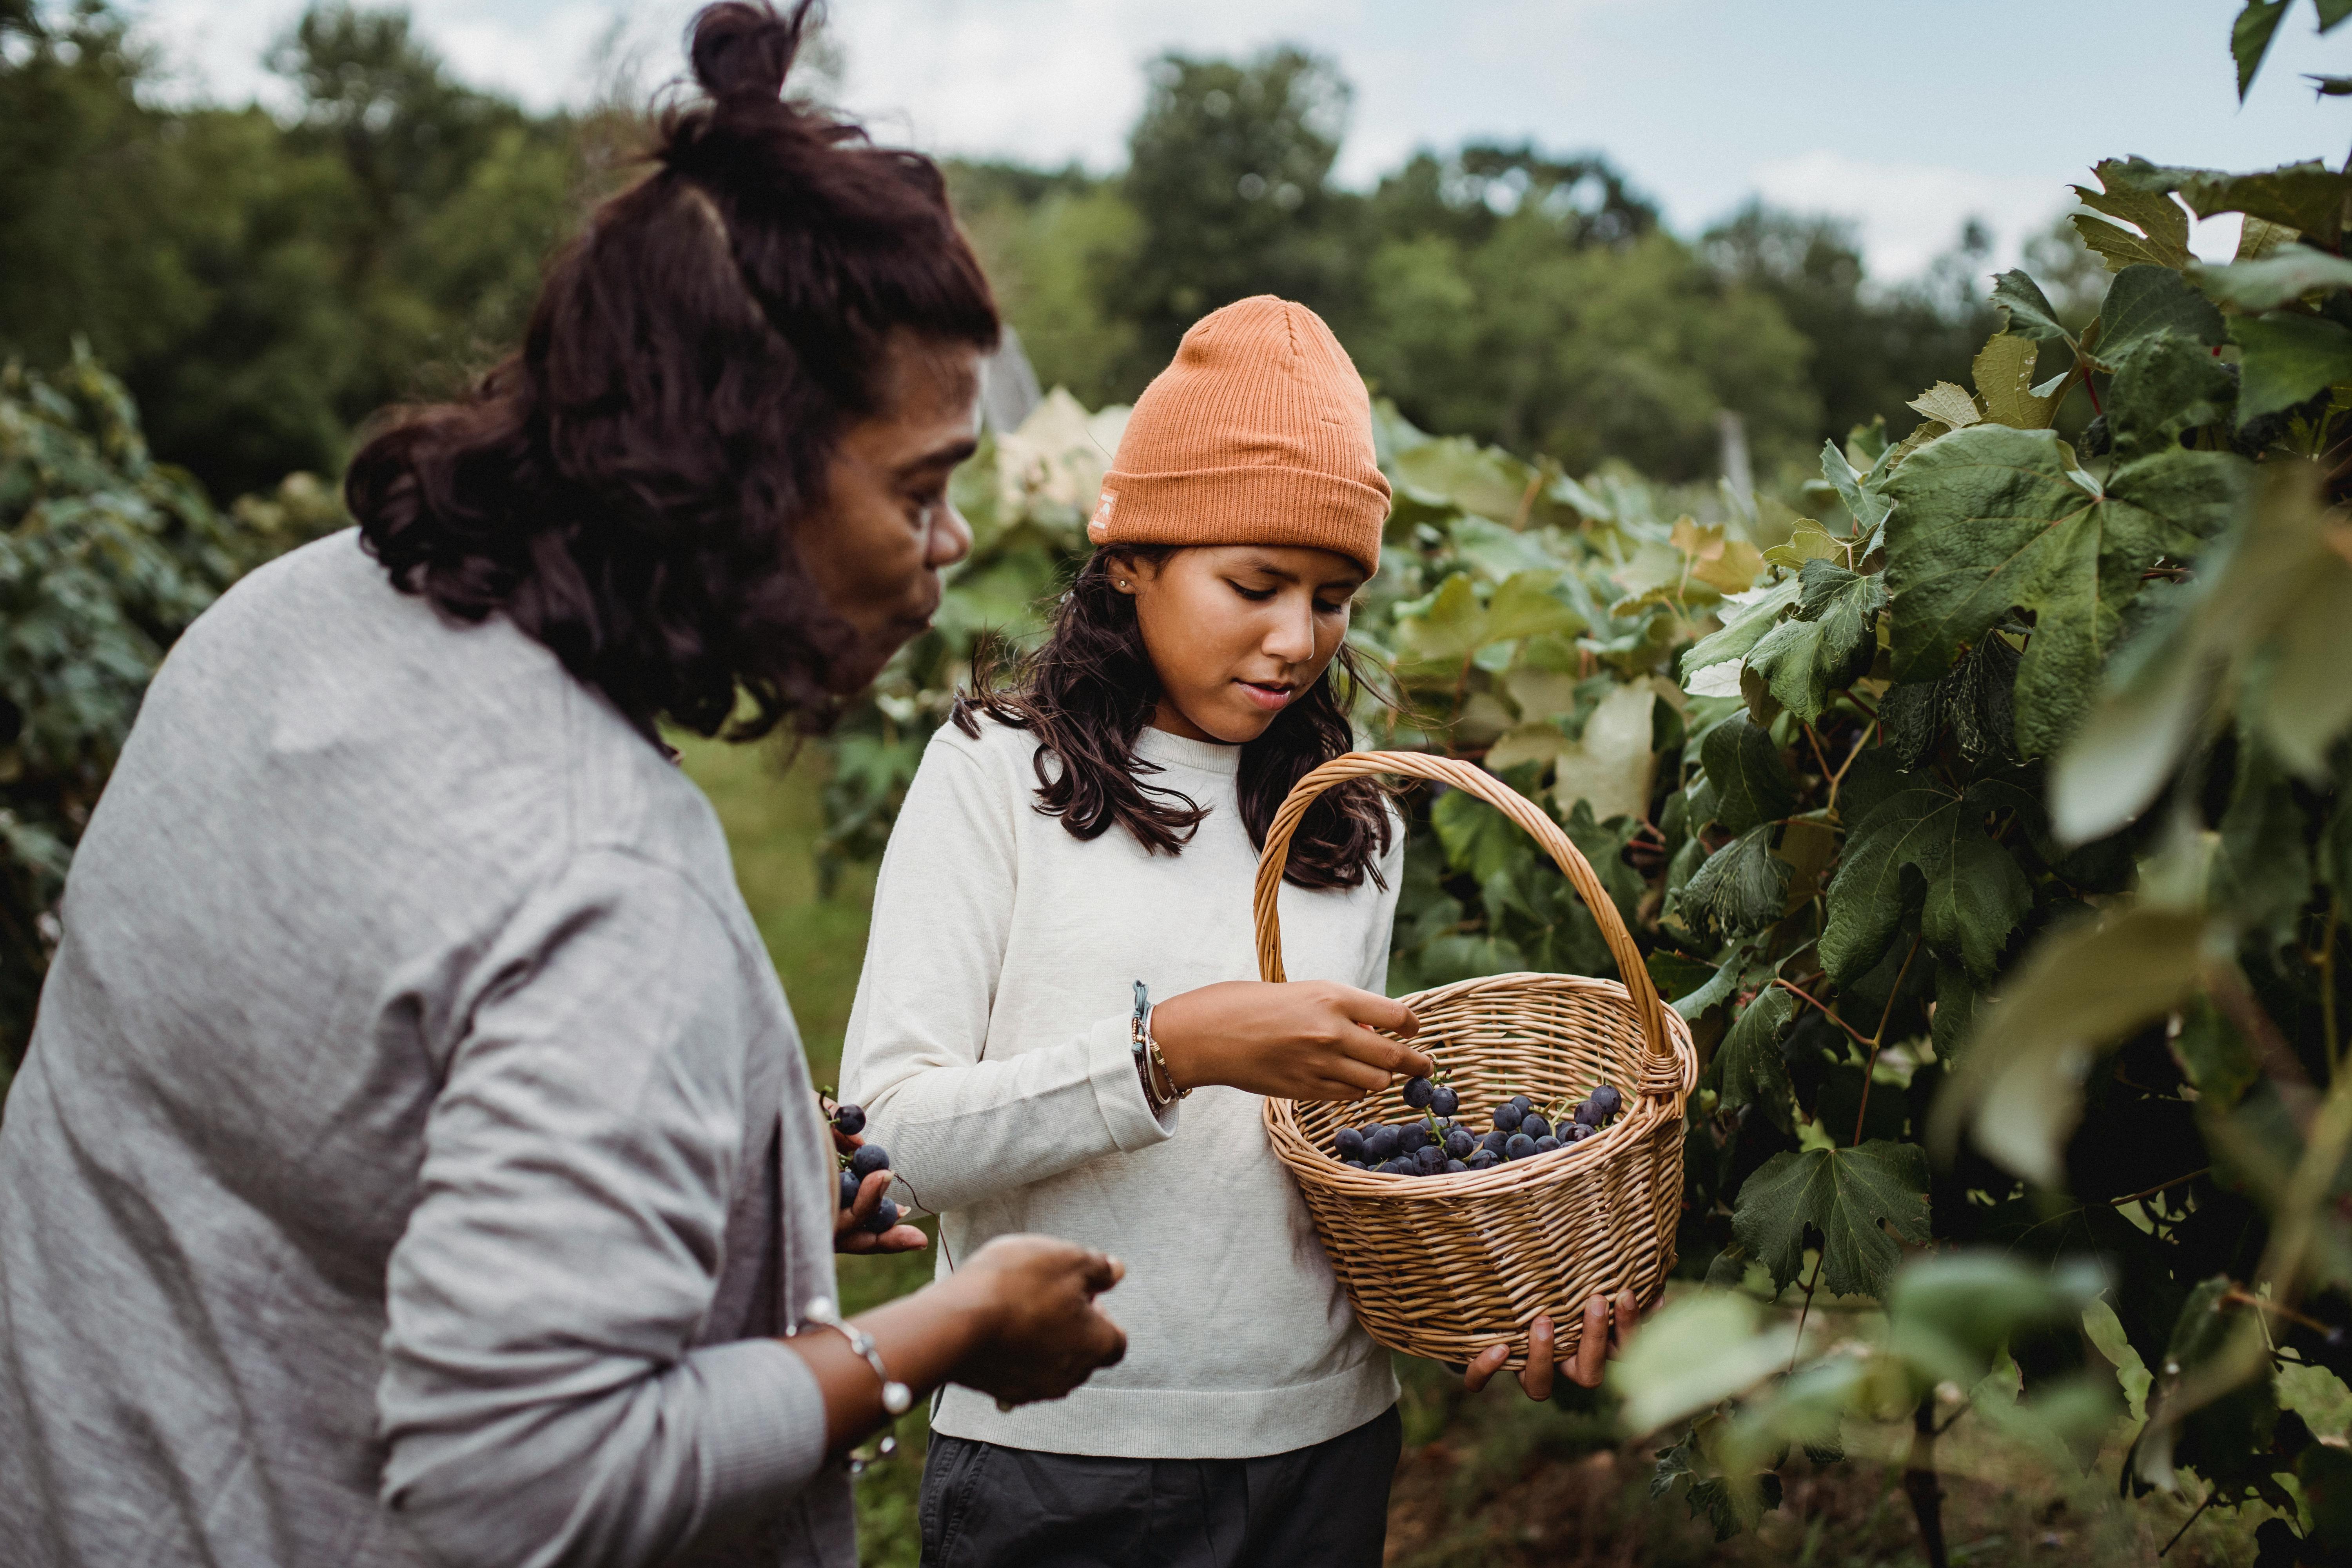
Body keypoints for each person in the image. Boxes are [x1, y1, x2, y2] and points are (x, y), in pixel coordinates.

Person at [0, 6, 1126, 1567]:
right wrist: (938, 1333)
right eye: (921, 487)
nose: (950, 548)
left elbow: (364, 1077)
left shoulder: (292, 613)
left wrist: (724, 1161)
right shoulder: (610, 897)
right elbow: (518, 1480)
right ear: (745, 467)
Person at [838, 296, 1638, 1568]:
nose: (1294, 642)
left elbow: (1335, 1169)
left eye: (1333, 600)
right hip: (1060, 1461)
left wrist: (1503, 1290)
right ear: (1130, 558)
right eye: (1254, 585)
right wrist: (1167, 1054)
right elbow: (887, 1141)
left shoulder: (1351, 818)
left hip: (1323, 1453)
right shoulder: (994, 775)